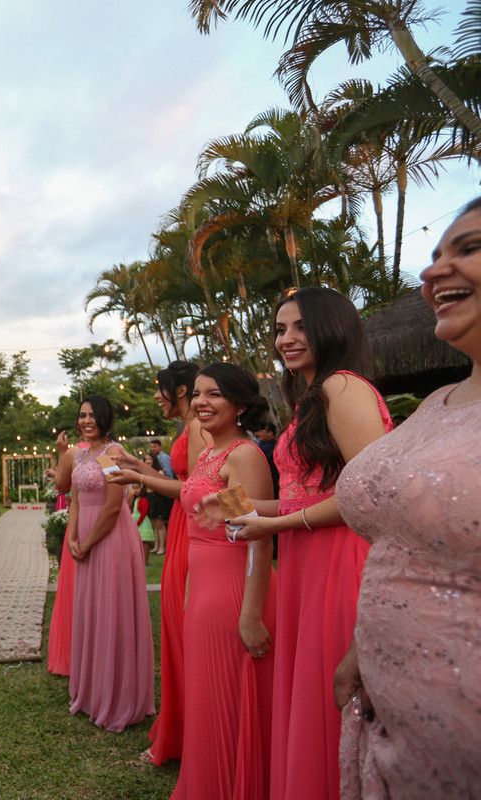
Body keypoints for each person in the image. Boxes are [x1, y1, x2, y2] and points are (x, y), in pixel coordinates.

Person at [215, 287, 391, 800]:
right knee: (308, 698)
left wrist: (274, 526)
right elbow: (304, 496)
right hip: (304, 560)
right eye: (278, 329)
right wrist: (250, 512)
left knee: (330, 698)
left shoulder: (342, 387)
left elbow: (372, 495)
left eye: (299, 327)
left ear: (333, 327)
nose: (285, 339)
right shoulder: (310, 399)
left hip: (339, 561)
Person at [333, 198, 481, 798]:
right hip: (390, 729)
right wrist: (360, 650)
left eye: (468, 249)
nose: (431, 273)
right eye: (434, 256)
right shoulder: (438, 403)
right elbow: (402, 546)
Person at [170, 362, 277, 800]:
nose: (201, 402)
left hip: (235, 590)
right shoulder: (209, 454)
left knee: (229, 701)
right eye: (197, 393)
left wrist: (250, 614)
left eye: (214, 394)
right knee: (208, 703)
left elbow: (255, 535)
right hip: (205, 589)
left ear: (240, 404)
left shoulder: (244, 456)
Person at [109, 360, 203, 764]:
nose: (155, 395)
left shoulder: (197, 426)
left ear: (180, 390)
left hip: (193, 527)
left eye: (161, 388)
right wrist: (138, 466)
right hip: (183, 524)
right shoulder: (187, 428)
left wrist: (141, 479)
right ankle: (180, 729)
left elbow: (197, 489)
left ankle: (189, 734)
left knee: (185, 633)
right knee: (176, 631)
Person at [65, 396, 155, 731]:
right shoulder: (82, 453)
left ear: (105, 418)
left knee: (112, 611)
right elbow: (75, 499)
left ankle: (117, 697)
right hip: (84, 537)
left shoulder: (114, 454)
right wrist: (73, 537)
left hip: (111, 537)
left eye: (92, 416)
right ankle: (90, 692)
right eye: (82, 415)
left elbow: (115, 505)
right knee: (91, 611)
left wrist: (88, 542)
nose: (86, 421)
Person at [47, 422, 84, 676]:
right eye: (82, 416)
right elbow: (63, 486)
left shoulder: (113, 451)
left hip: (214, 534)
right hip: (79, 524)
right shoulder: (75, 453)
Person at [144, 449, 172, 555]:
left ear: (154, 460)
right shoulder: (145, 471)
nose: (148, 461)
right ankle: (156, 545)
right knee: (154, 524)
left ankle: (162, 547)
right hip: (149, 497)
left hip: (158, 499)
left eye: (150, 459)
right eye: (146, 459)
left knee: (160, 524)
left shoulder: (159, 472)